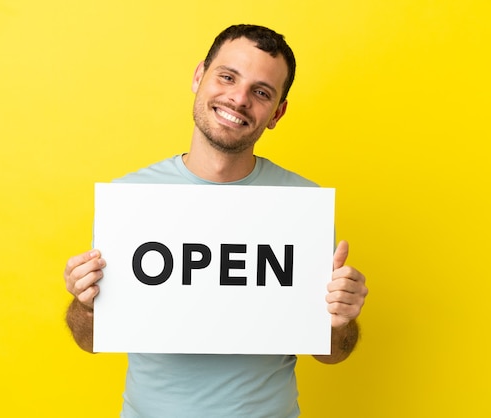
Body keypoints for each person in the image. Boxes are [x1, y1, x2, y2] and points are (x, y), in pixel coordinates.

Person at [64, 24, 368, 417]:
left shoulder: (302, 207)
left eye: (261, 92)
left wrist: (342, 319)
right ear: (198, 77)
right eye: (227, 77)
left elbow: (332, 354)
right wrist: (85, 305)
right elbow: (90, 341)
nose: (238, 98)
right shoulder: (133, 200)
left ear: (277, 112)